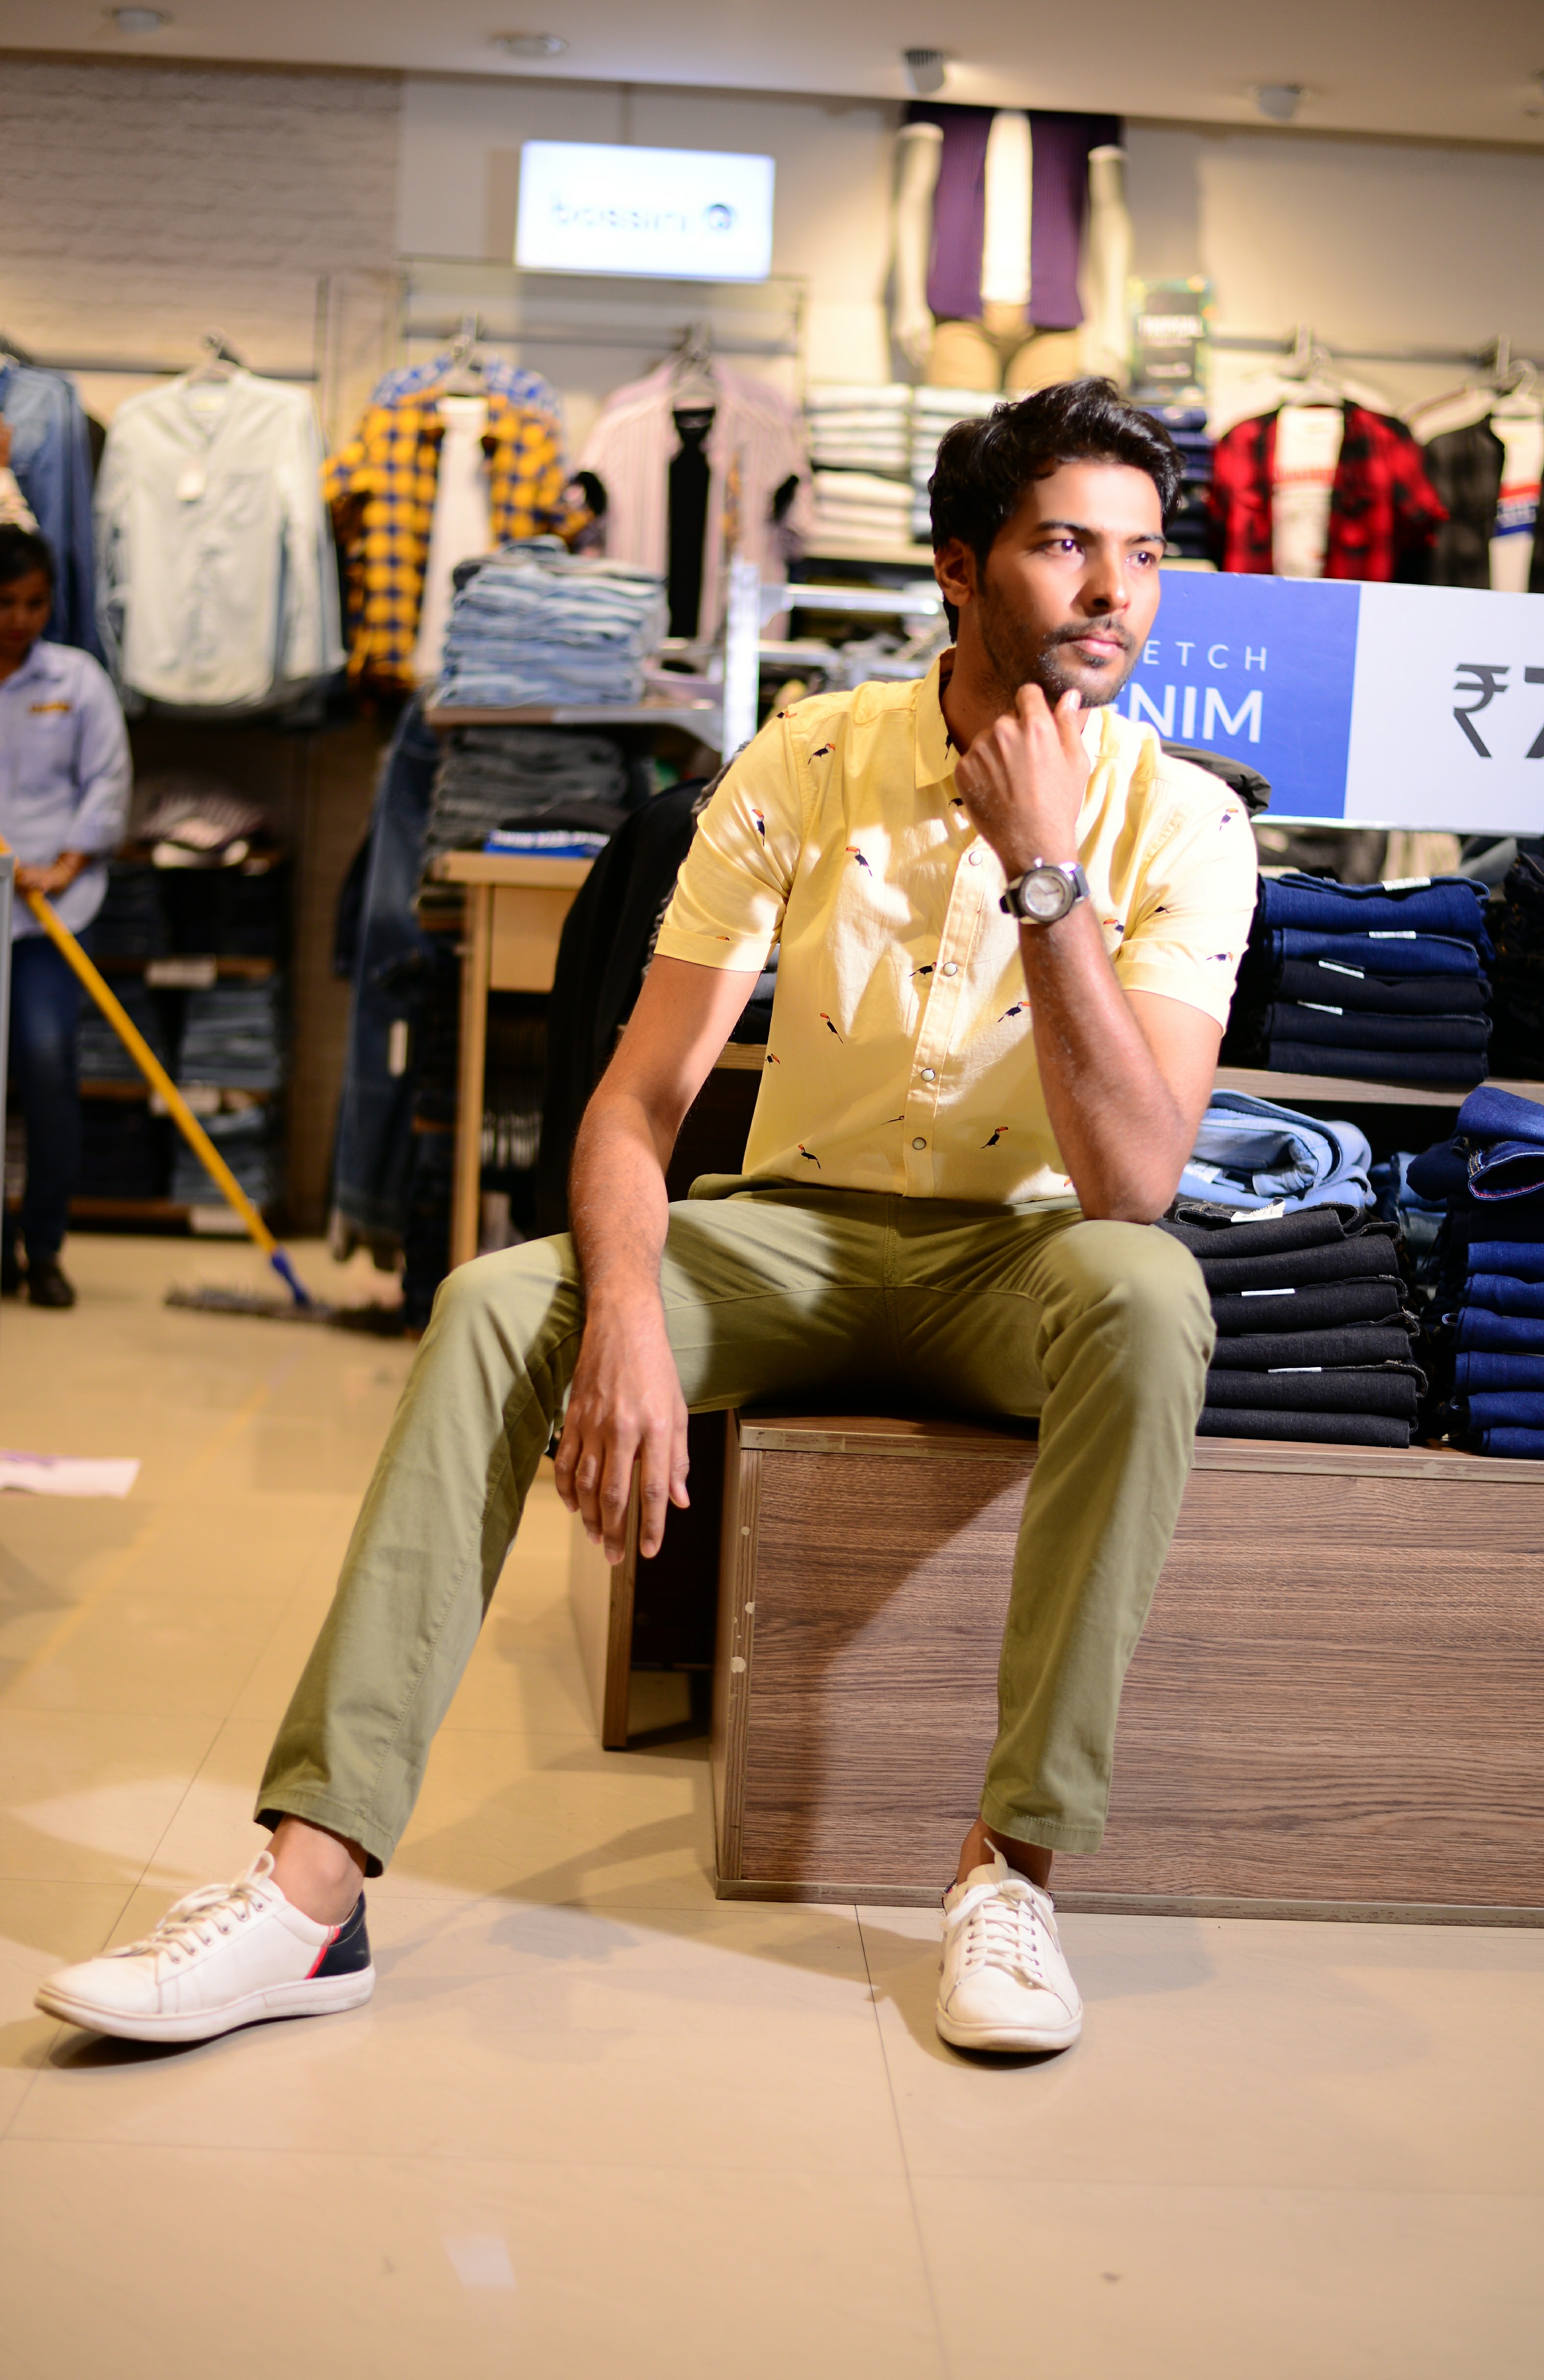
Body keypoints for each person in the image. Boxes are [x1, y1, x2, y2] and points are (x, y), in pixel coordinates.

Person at [38, 380, 1257, 2054]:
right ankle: (310, 1895)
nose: (1116, 589)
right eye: (1066, 544)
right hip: (799, 1235)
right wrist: (621, 1310)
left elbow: (1133, 1181)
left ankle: (1014, 1872)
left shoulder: (1185, 819)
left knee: (1150, 1289)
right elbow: (634, 1105)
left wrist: (1046, 868)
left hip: (1022, 1259)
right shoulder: (808, 760)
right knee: (492, 1304)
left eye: (1145, 552)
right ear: (960, 568)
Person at [0, 523, 131, 1307]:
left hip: (50, 914)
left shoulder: (78, 681)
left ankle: (44, 1248)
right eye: (6, 603)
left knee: (47, 1067)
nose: (20, 618)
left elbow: (107, 781)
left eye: (35, 603)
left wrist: (63, 865)